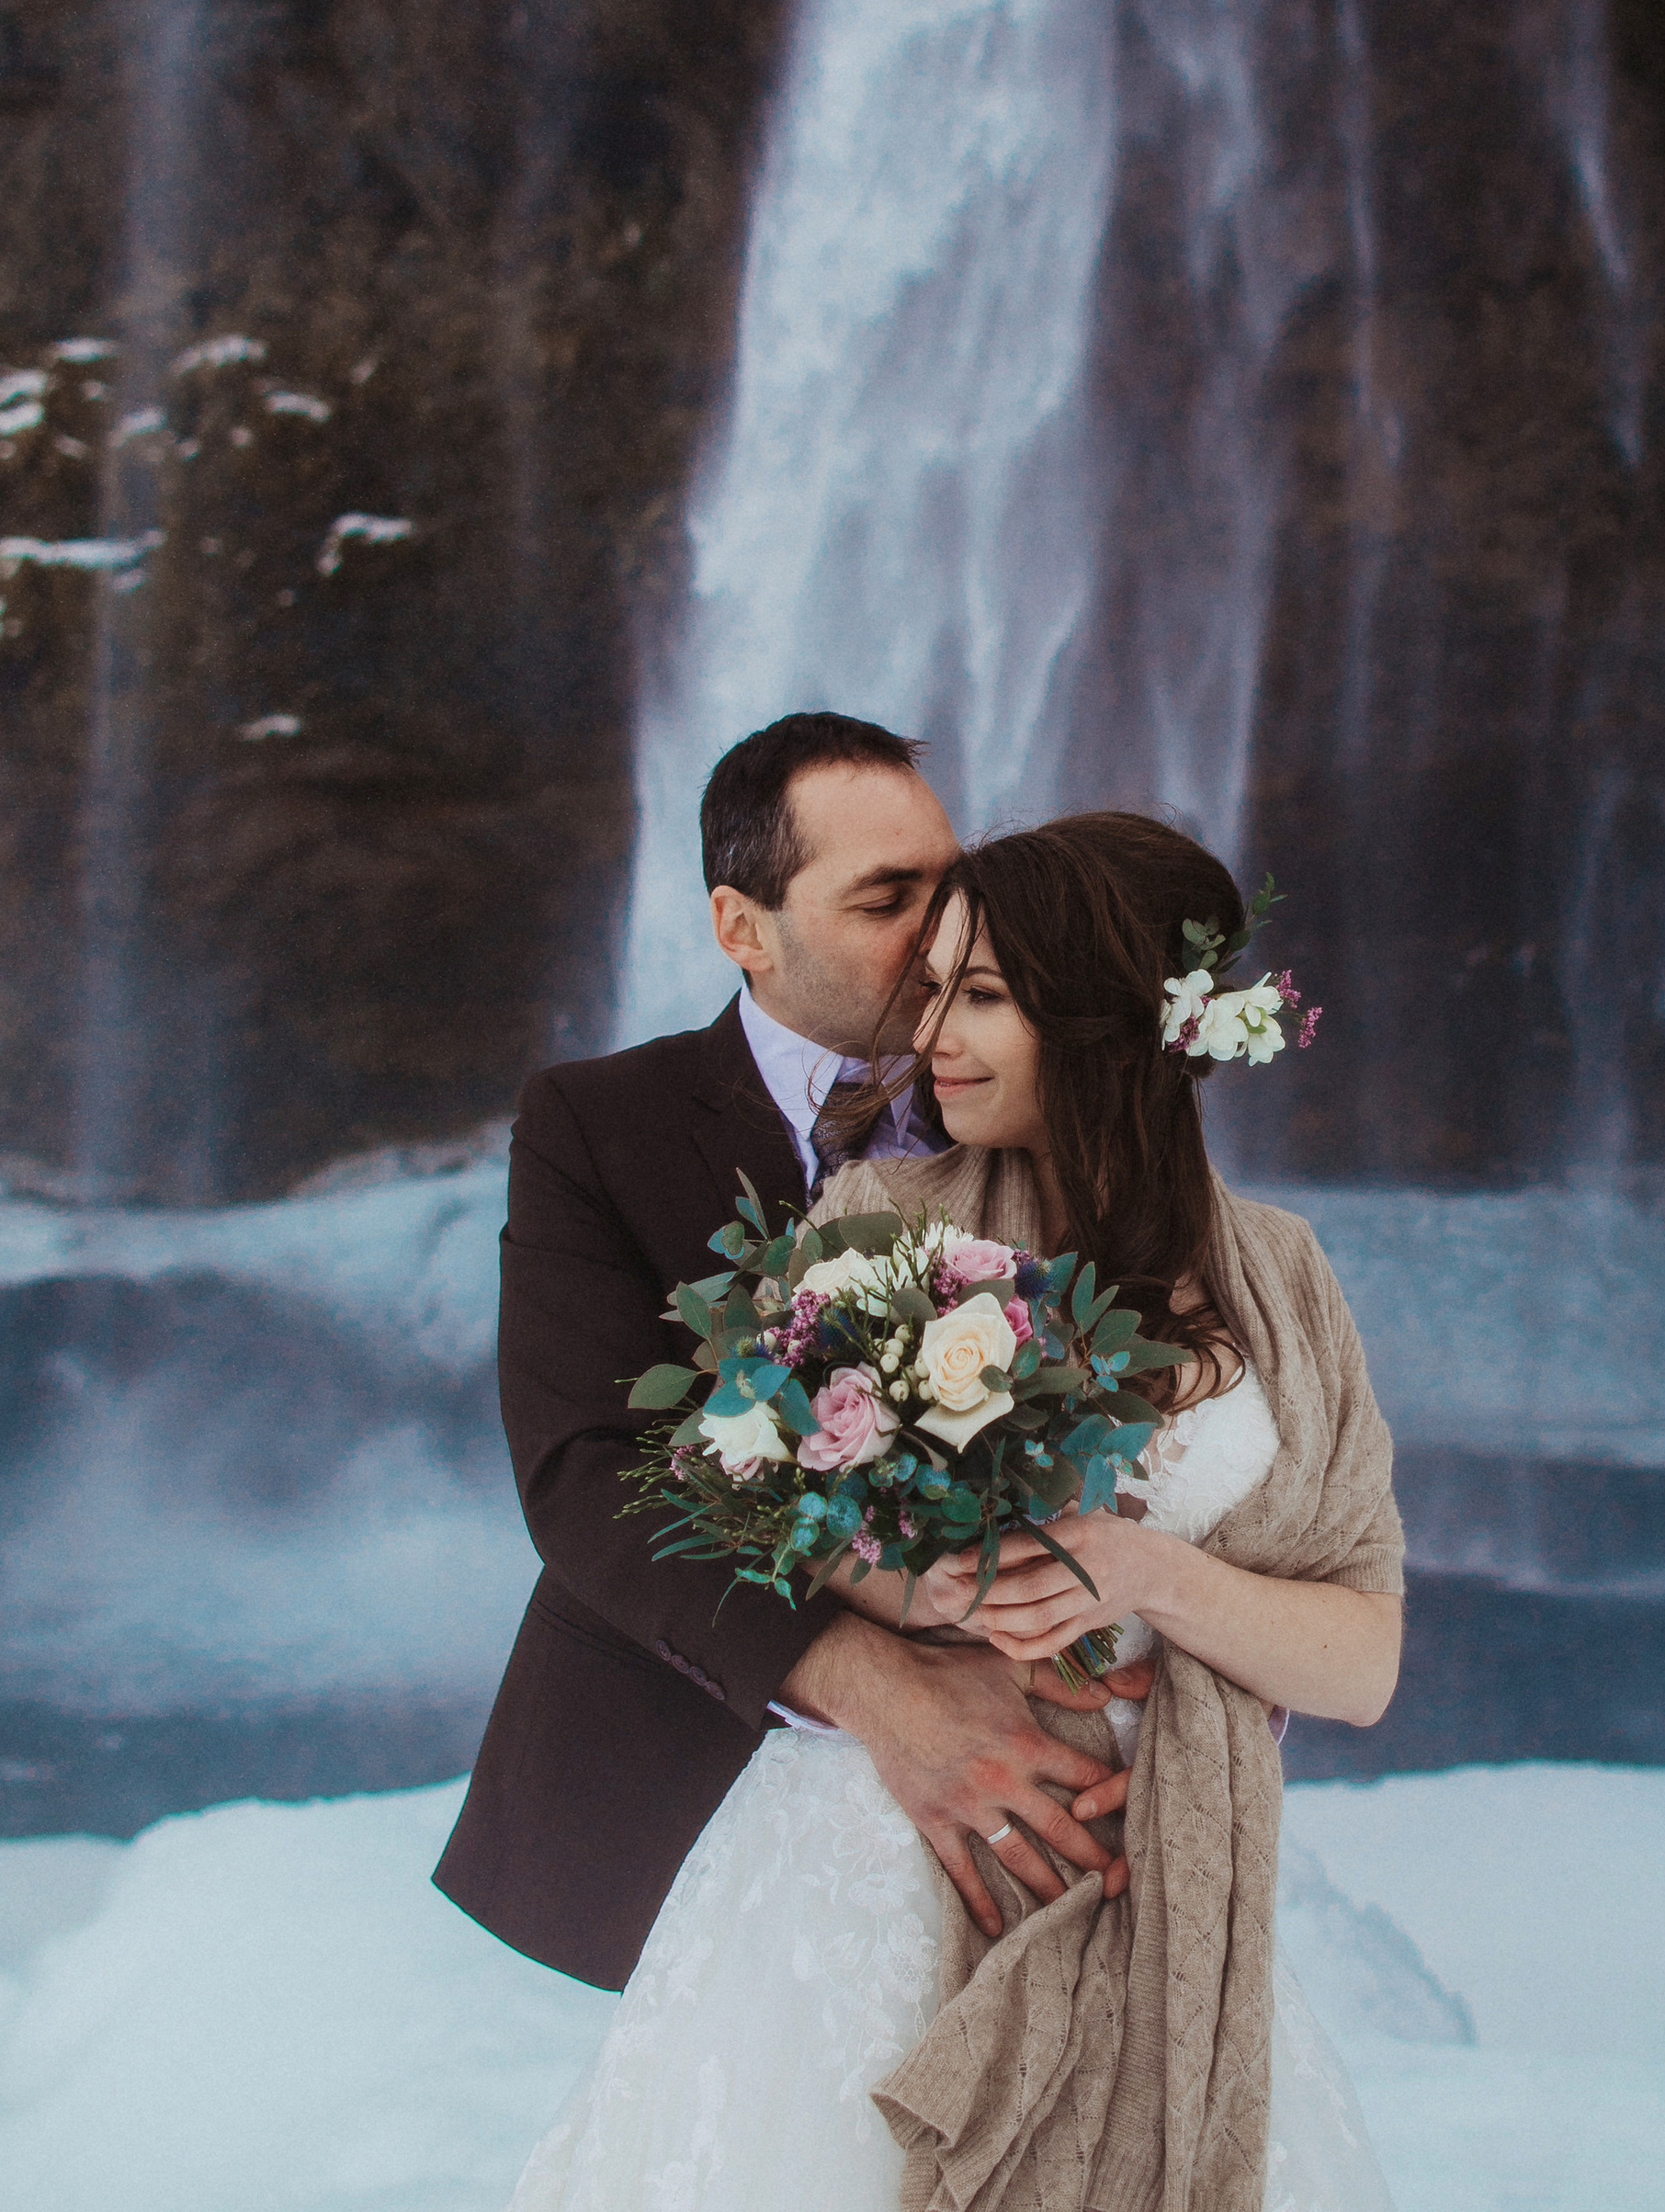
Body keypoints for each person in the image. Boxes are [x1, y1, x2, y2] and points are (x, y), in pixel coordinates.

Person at [276, 811, 1528, 2212]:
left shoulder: (1285, 1278)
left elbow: (1367, 1657)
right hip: (869, 1878)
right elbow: (739, 1500)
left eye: (982, 994)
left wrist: (1153, 1573)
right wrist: (917, 1583)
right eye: (928, 984)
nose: (927, 1031)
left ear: (1109, 1015)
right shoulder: (874, 1228)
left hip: (1162, 1901)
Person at [434, 712, 1150, 1991]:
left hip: (1066, 1794)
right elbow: (586, 1474)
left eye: (954, 885)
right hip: (690, 1797)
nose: (947, 931)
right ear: (742, 929)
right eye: (888, 898)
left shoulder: (1051, 1097)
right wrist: (883, 1690)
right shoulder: (595, 1125)